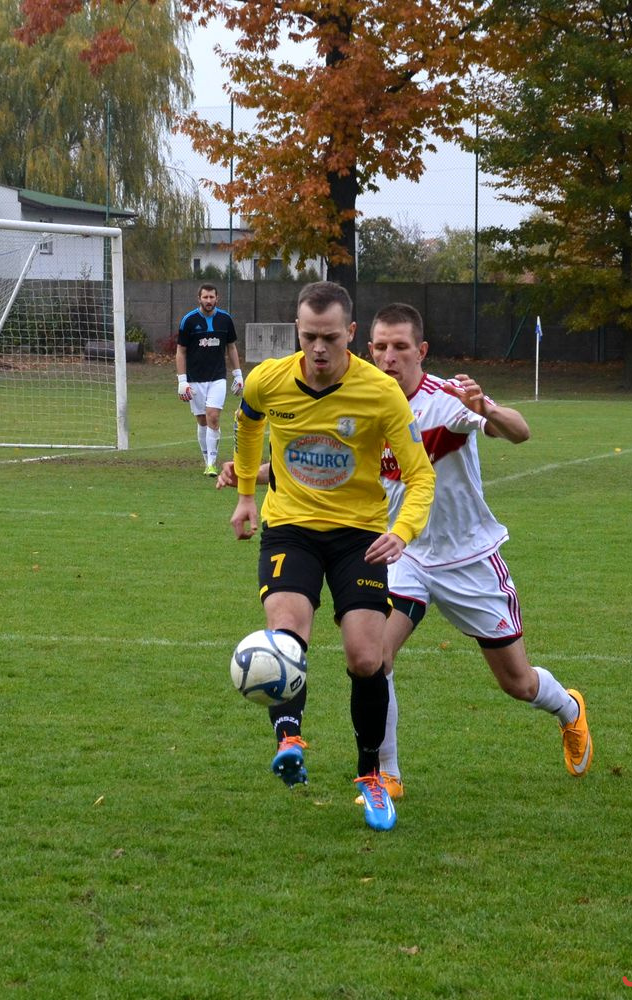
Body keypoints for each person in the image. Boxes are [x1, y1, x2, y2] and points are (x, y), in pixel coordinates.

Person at [364, 302, 593, 802]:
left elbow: (520, 431)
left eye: (400, 346)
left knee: (518, 684)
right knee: (375, 657)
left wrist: (486, 408)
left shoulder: (448, 398)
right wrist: (255, 474)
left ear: (421, 350)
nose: (389, 356)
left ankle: (569, 708)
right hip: (405, 554)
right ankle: (387, 775)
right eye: (381, 347)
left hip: (468, 559)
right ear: (370, 350)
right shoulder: (363, 402)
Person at [229, 281, 435, 831]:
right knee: (286, 631)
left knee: (366, 659)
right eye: (308, 337)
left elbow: (420, 476)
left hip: (358, 536)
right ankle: (289, 739)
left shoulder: (381, 393)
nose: (319, 349)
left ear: (351, 333)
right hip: (289, 528)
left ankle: (371, 775)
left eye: (330, 338)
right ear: (297, 331)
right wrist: (247, 494)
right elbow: (248, 425)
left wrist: (403, 531)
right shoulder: (268, 380)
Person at [176, 283, 243, 477]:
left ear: (217, 298)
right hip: (195, 379)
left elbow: (231, 347)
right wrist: (182, 381)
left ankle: (212, 464)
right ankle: (207, 460)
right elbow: (181, 351)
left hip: (218, 378)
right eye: (205, 297)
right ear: (199, 298)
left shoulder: (225, 319)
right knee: (202, 420)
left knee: (213, 416)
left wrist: (238, 374)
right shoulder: (188, 321)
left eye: (211, 297)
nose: (208, 300)